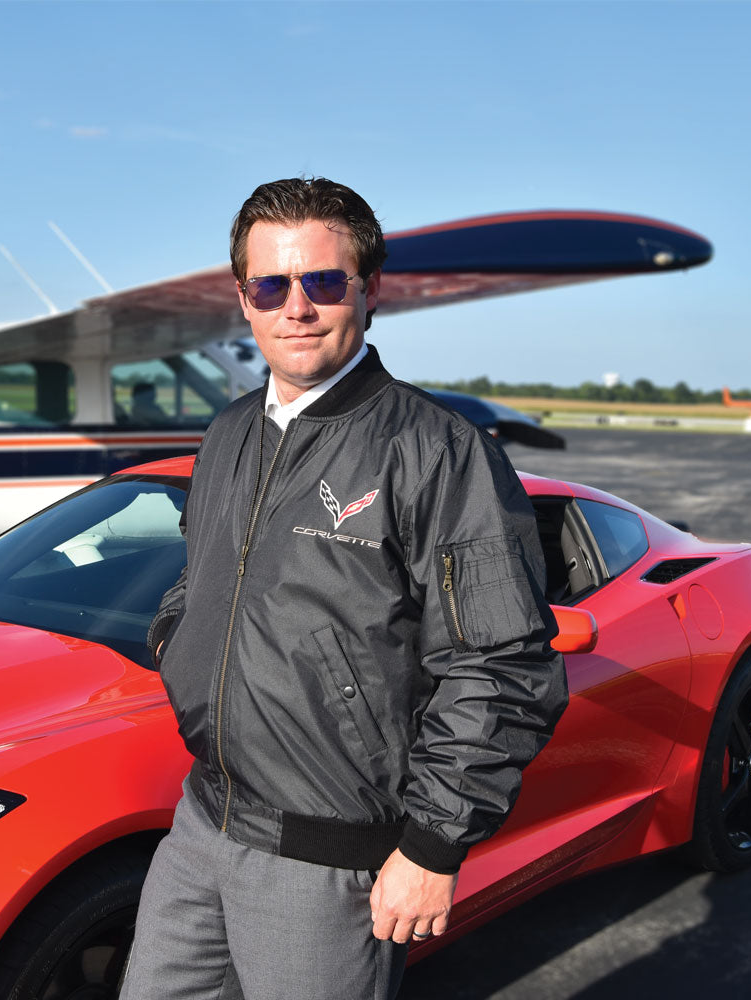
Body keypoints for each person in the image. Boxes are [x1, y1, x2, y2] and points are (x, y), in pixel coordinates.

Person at [120, 177, 568, 999]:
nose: (297, 307)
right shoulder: (227, 433)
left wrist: (433, 847)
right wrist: (175, 637)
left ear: (369, 292)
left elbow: (501, 665)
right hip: (200, 823)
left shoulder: (437, 451)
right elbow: (203, 573)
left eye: (323, 282)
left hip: (326, 861)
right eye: (270, 285)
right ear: (243, 300)